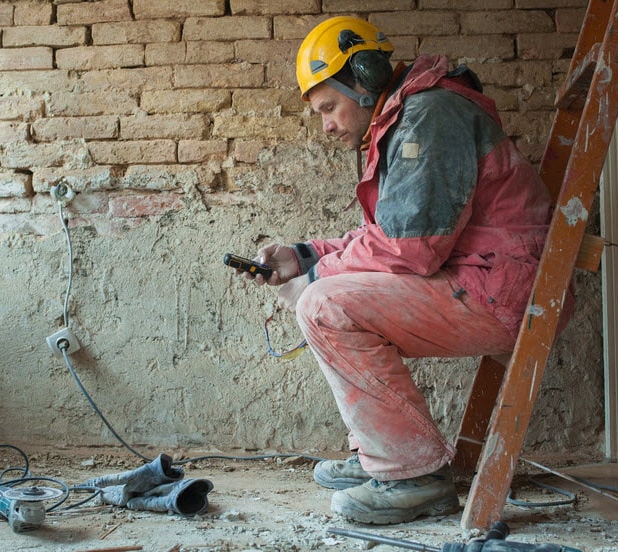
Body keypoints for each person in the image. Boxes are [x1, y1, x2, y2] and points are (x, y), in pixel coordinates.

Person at [236, 16, 570, 525]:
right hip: (485, 279)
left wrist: (317, 276)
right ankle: (382, 455)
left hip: (502, 290)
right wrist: (304, 255)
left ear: (364, 78)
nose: (326, 125)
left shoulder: (428, 117)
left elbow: (410, 249)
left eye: (329, 106)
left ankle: (412, 477)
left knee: (324, 306)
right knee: (322, 292)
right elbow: (388, 234)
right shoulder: (408, 118)